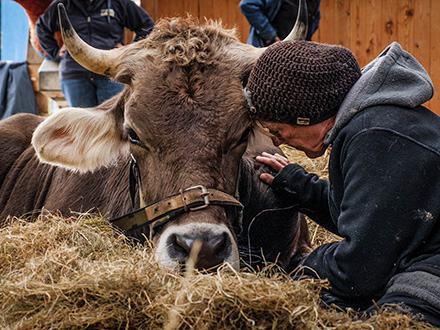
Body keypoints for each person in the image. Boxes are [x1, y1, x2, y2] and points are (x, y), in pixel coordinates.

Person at [244, 40, 440, 326]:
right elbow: (373, 220)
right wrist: (300, 186)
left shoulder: (374, 134)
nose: (276, 141)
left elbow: (359, 269)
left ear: (306, 115)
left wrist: (300, 271)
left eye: (277, 129)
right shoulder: (371, 122)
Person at [36, 0, 154, 108]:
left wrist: (129, 52)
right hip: (75, 75)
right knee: (83, 126)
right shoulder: (63, 4)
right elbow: (42, 27)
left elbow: (147, 26)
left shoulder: (119, 3)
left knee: (115, 124)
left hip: (112, 74)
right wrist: (56, 53)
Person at [239, 0, 321, 47]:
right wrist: (270, 35)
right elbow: (247, 5)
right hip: (269, 50)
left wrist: (305, 37)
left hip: (300, 51)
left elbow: (315, 16)